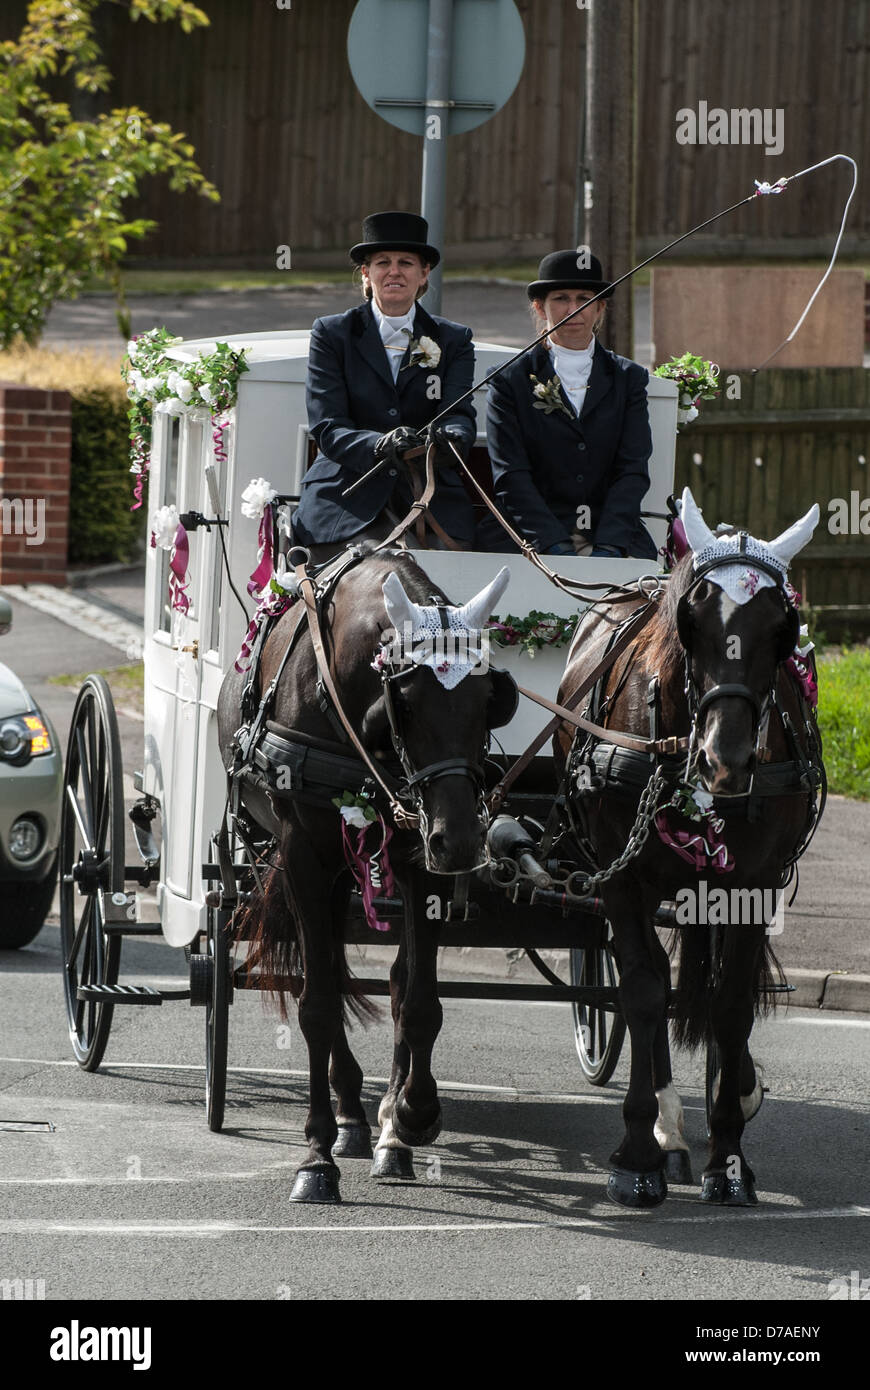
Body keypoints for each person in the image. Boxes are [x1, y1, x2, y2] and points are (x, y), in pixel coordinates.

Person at [291, 212, 477, 560]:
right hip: (346, 496)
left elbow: (459, 416)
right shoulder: (332, 334)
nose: (394, 271)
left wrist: (449, 437)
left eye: (406, 262)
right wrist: (378, 444)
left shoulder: (454, 340)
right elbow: (328, 425)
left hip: (428, 499)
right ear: (366, 273)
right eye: (383, 262)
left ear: (424, 274)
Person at [483, 250, 657, 558]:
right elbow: (511, 474)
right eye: (561, 298)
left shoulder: (628, 379)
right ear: (540, 307)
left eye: (584, 298)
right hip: (530, 529)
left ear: (600, 306)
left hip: (610, 528)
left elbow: (632, 469)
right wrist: (553, 543)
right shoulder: (509, 380)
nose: (574, 309)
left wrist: (609, 544)